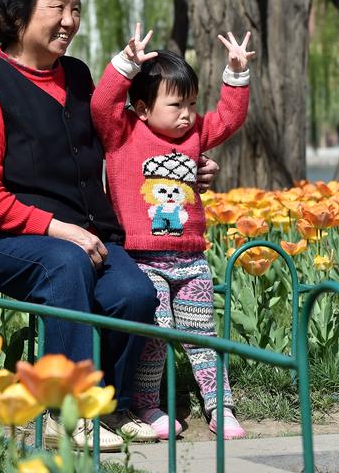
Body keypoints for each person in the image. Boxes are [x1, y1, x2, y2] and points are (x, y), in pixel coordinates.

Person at [0, 0, 220, 450]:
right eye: (58, 8)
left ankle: (107, 407)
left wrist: (183, 165)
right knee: (66, 265)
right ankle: (62, 411)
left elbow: (130, 140)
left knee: (136, 292)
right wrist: (57, 229)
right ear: (16, 15)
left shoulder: (77, 77)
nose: (70, 21)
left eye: (76, 9)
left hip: (84, 235)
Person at [91, 24, 254, 440]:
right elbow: (101, 103)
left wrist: (236, 73)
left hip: (191, 258)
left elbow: (230, 118)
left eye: (192, 104)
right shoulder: (123, 133)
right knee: (156, 337)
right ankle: (147, 407)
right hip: (143, 259)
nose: (187, 114)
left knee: (202, 336)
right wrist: (126, 64)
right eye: (176, 104)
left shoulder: (195, 134)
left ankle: (222, 408)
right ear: (143, 107)